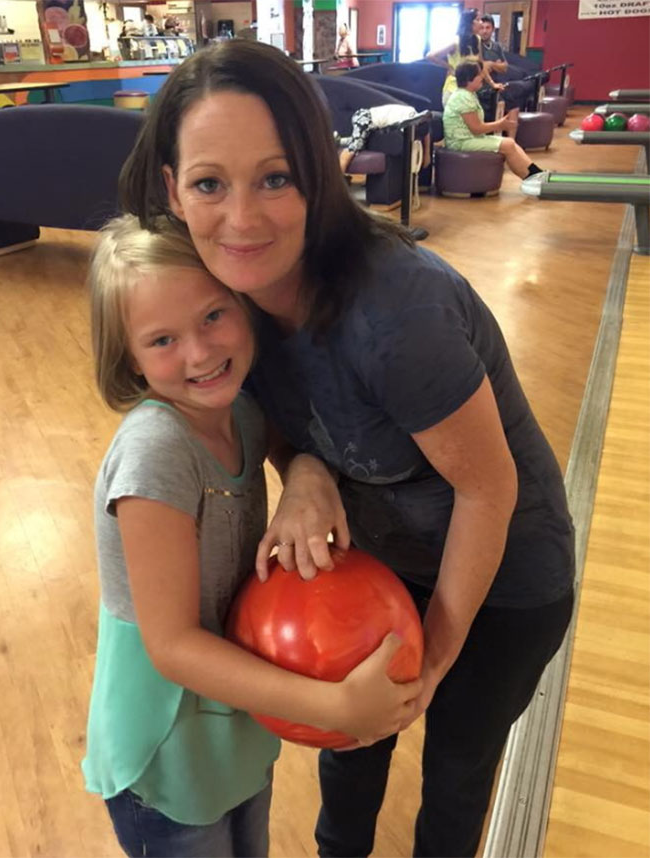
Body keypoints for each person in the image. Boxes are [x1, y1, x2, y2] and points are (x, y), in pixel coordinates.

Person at [119, 40, 575, 858]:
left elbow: (489, 491)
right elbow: (300, 419)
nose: (243, 218)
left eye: (276, 177)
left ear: (318, 173)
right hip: (382, 559)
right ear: (172, 190)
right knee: (352, 760)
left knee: (457, 771)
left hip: (503, 577)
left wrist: (433, 655)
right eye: (209, 183)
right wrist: (303, 473)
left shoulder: (395, 316)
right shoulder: (225, 304)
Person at [81, 214, 421, 858]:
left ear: (241, 303)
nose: (201, 353)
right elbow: (174, 647)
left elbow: (287, 447)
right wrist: (336, 707)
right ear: (129, 356)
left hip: (236, 714)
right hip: (168, 745)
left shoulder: (238, 405)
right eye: (162, 340)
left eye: (213, 316)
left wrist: (306, 474)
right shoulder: (155, 453)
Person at [444, 60, 543, 180]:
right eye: (479, 75)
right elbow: (476, 129)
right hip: (460, 143)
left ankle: (537, 173)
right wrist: (500, 125)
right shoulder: (463, 97)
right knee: (507, 144)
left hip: (469, 138)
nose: (482, 77)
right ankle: (532, 179)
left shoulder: (468, 94)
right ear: (469, 79)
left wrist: (500, 125)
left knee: (510, 143)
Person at [426, 8, 503, 106]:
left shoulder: (477, 39)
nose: (481, 23)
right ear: (469, 23)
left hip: (470, 89)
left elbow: (481, 65)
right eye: (478, 20)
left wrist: (492, 84)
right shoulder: (455, 42)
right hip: (454, 89)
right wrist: (449, 67)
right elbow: (430, 56)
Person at [337, 103, 420, 173]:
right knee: (353, 149)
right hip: (366, 118)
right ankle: (337, 181)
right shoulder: (409, 118)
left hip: (368, 119)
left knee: (362, 142)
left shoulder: (414, 113)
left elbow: (425, 132)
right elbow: (404, 134)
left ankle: (339, 140)